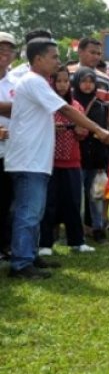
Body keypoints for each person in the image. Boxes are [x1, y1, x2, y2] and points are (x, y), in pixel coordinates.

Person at [5, 36, 109, 279]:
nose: (58, 61)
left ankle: (30, 255)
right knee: (29, 211)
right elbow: (65, 109)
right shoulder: (34, 81)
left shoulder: (39, 82)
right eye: (54, 57)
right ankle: (21, 264)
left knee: (35, 210)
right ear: (38, 59)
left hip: (36, 159)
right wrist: (100, 130)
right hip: (28, 159)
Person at [38, 65, 95, 255]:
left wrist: (81, 132)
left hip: (72, 161)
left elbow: (84, 131)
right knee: (49, 203)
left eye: (65, 81)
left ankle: (76, 241)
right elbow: (37, 129)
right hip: (49, 161)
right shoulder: (45, 106)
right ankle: (45, 244)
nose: (61, 85)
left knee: (73, 202)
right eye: (57, 81)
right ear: (50, 82)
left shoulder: (75, 106)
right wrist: (50, 128)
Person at [73, 68, 109, 245]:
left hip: (96, 157)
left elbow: (105, 129)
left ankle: (98, 229)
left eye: (91, 82)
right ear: (76, 82)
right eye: (83, 81)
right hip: (76, 156)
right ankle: (77, 230)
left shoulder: (100, 105)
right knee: (77, 196)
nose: (87, 85)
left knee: (96, 195)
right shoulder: (71, 104)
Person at [0, 31, 17, 259]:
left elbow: (22, 111)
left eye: (8, 49)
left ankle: (4, 245)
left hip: (10, 152)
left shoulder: (16, 82)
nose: (3, 53)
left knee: (5, 202)